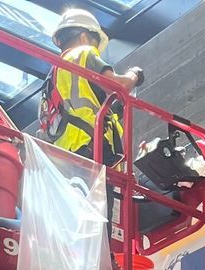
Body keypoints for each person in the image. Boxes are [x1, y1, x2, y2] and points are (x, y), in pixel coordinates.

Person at [42, 8, 145, 165]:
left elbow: (79, 108)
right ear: (84, 38)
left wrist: (114, 110)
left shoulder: (53, 78)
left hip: (66, 160)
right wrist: (134, 75)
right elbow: (119, 86)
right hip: (91, 151)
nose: (96, 53)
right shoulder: (82, 53)